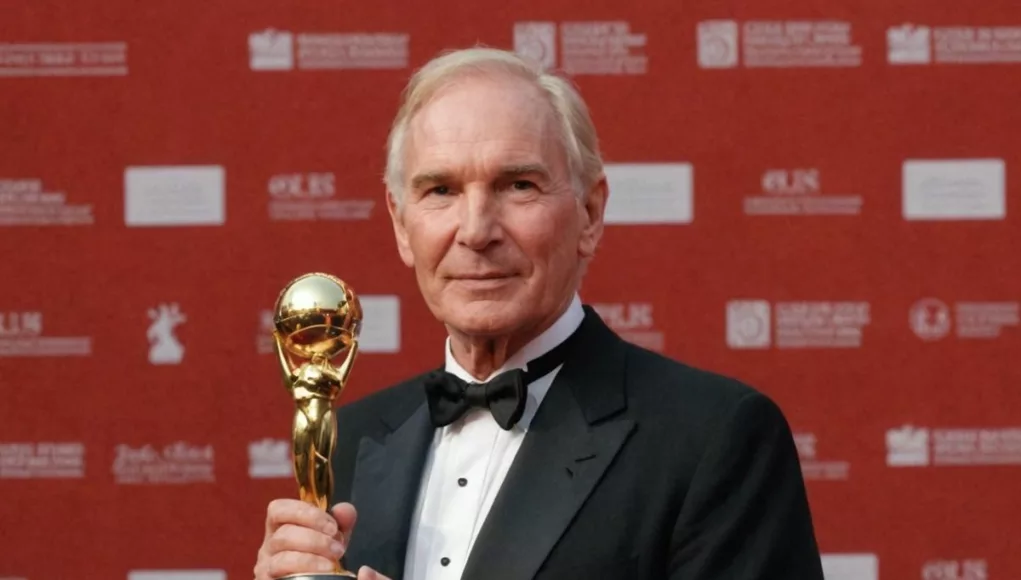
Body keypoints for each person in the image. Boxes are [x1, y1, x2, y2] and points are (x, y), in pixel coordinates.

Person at [254, 46, 825, 580]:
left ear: (591, 213)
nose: (476, 231)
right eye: (440, 191)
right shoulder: (350, 440)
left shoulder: (713, 439)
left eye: (518, 185)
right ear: (402, 224)